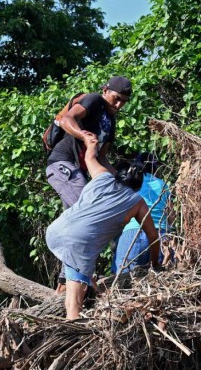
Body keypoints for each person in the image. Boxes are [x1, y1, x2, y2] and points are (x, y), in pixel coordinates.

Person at [45, 133, 160, 320]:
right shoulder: (137, 202)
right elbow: (153, 237)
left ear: (117, 174)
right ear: (137, 185)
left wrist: (91, 143)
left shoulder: (102, 176)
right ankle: (71, 337)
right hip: (78, 245)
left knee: (77, 274)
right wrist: (155, 264)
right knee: (74, 306)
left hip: (56, 230)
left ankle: (85, 283)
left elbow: (90, 156)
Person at [45, 76, 132, 291]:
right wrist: (83, 136)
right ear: (105, 90)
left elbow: (102, 158)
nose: (118, 104)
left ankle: (65, 284)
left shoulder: (110, 122)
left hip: (80, 173)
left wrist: (122, 182)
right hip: (63, 164)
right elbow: (67, 120)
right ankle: (84, 278)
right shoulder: (94, 101)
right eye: (116, 98)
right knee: (87, 214)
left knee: (76, 225)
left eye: (124, 102)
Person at [112, 152, 172, 274]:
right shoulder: (163, 184)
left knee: (125, 280)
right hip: (161, 235)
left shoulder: (133, 181)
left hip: (135, 232)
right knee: (159, 279)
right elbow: (170, 215)